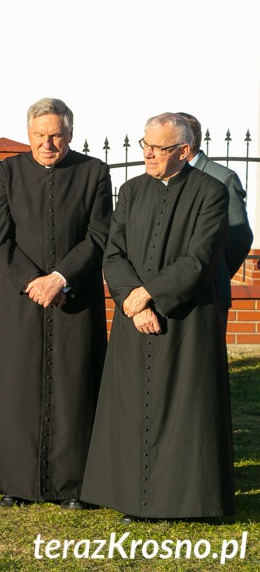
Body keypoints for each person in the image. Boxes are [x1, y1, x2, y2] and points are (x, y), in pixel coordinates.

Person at [81, 113, 235, 522]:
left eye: (158, 148)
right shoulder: (130, 191)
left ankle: (186, 501)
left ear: (184, 151)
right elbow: (114, 253)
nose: (147, 153)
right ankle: (130, 497)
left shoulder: (212, 192)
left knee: (185, 410)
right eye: (145, 145)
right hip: (134, 318)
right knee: (131, 407)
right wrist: (132, 301)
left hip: (185, 320)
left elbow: (200, 260)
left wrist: (148, 295)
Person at [0, 99, 112, 509]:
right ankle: (16, 480)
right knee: (17, 387)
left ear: (70, 133)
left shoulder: (94, 172)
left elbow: (99, 236)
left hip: (74, 297)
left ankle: (76, 485)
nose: (48, 144)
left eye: (56, 136)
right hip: (21, 299)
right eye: (39, 136)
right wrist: (34, 282)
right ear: (28, 134)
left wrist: (61, 278)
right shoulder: (8, 172)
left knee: (74, 386)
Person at [178, 112, 253, 322]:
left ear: (185, 143)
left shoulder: (222, 178)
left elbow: (239, 237)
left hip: (209, 295)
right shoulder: (162, 177)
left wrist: (215, 270)